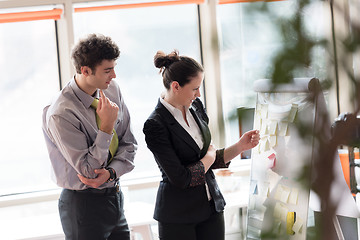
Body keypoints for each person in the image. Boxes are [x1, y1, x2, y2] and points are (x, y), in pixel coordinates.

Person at [143, 50, 260, 240]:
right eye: (195, 88)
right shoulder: (155, 124)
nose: (198, 94)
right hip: (178, 216)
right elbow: (182, 178)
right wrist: (210, 157)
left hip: (211, 207)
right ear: (176, 86)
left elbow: (206, 159)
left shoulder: (196, 108)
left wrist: (239, 147)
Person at [42, 33, 137, 240]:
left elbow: (130, 146)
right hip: (82, 206)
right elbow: (89, 171)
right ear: (85, 70)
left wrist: (111, 173)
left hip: (115, 197)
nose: (114, 76)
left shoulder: (112, 89)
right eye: (107, 70)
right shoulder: (61, 113)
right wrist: (107, 127)